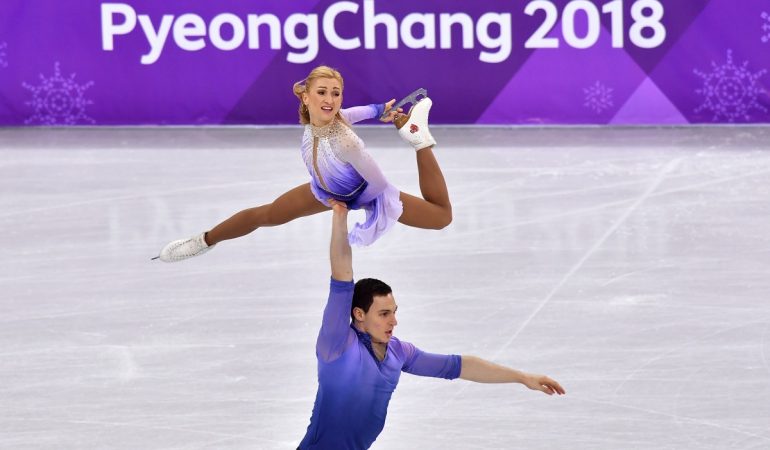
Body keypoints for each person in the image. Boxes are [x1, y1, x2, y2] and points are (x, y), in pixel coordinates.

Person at [298, 199, 566, 449]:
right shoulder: (338, 344)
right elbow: (342, 276)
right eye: (384, 314)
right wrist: (340, 216)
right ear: (358, 314)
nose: (394, 321)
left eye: (394, 312)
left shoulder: (399, 352)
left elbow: (459, 366)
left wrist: (522, 377)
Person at [155, 65, 452, 262]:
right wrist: (378, 109)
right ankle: (202, 241)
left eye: (335, 93)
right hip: (324, 190)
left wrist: (348, 204)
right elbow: (355, 113)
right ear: (306, 97)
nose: (330, 99)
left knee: (441, 217)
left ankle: (419, 141)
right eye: (323, 92)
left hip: (365, 195)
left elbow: (379, 184)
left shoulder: (346, 141)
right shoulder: (328, 119)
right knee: (266, 214)